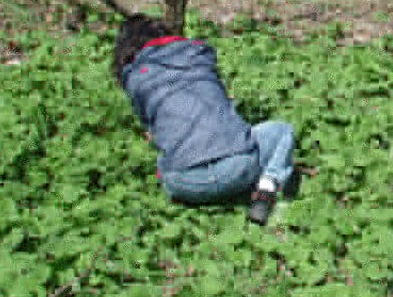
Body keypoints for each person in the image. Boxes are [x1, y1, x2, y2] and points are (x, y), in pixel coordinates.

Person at [112, 14, 297, 225]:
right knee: (282, 130)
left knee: (165, 156)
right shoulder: (198, 54)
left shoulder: (134, 78)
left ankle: (200, 196)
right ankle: (266, 189)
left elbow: (151, 131)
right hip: (238, 169)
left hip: (184, 183)